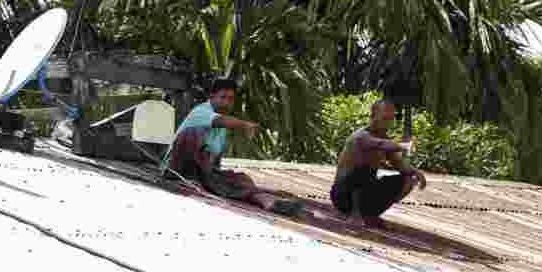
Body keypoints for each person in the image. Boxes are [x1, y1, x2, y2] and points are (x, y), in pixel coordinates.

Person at [162, 78, 303, 216]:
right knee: (192, 133)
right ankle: (264, 198)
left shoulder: (222, 128)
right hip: (176, 168)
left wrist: (218, 176)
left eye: (230, 99)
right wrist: (245, 125)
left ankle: (268, 201)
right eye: (223, 97)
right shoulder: (201, 112)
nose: (226, 102)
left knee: (241, 179)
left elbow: (214, 161)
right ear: (212, 97)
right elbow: (220, 121)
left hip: (201, 173)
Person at [331, 98, 426, 227]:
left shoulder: (385, 140)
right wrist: (403, 146)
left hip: (365, 194)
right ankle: (355, 215)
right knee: (365, 169)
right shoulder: (361, 136)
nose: (388, 122)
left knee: (407, 180)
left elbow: (399, 164)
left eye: (391, 119)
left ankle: (370, 215)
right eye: (385, 118)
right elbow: (380, 144)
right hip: (342, 195)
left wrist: (415, 172)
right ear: (373, 116)